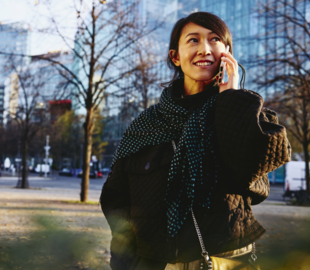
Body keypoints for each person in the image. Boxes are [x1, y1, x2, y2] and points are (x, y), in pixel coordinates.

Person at [100, 12, 291, 270]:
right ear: (175, 57)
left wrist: (231, 100)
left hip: (225, 262)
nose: (204, 49)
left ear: (227, 53)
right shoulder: (147, 125)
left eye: (214, 40)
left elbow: (253, 175)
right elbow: (116, 199)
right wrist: (126, 261)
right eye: (193, 40)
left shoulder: (248, 113)